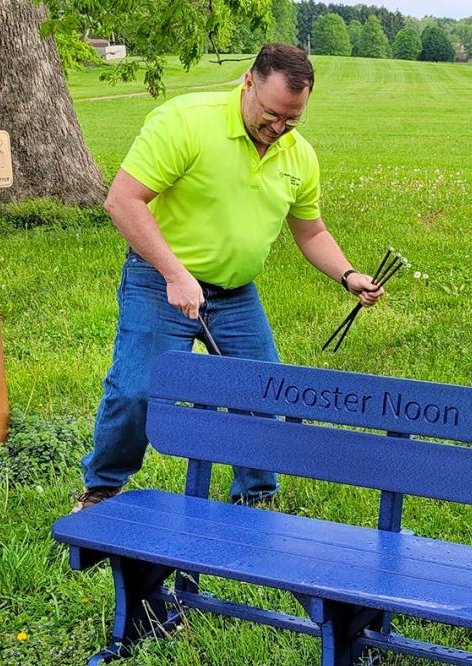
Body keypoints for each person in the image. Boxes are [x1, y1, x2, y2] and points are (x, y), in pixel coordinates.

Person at [75, 43, 383, 512]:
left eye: (292, 120)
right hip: (159, 279)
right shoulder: (185, 121)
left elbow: (311, 230)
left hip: (235, 294)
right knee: (137, 388)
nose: (279, 128)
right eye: (272, 113)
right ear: (248, 82)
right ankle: (103, 488)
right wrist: (175, 273)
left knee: (262, 392)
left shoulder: (298, 157)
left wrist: (348, 274)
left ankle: (255, 498)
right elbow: (122, 200)